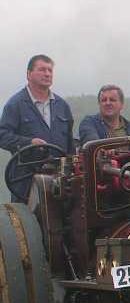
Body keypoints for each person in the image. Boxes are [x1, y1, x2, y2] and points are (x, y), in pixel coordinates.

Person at [0, 55, 75, 201]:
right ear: (29, 74)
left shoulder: (62, 106)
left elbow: (70, 145)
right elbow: (2, 136)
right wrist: (29, 143)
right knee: (25, 223)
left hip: (59, 184)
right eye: (42, 69)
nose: (47, 74)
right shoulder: (15, 104)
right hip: (26, 183)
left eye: (50, 70)